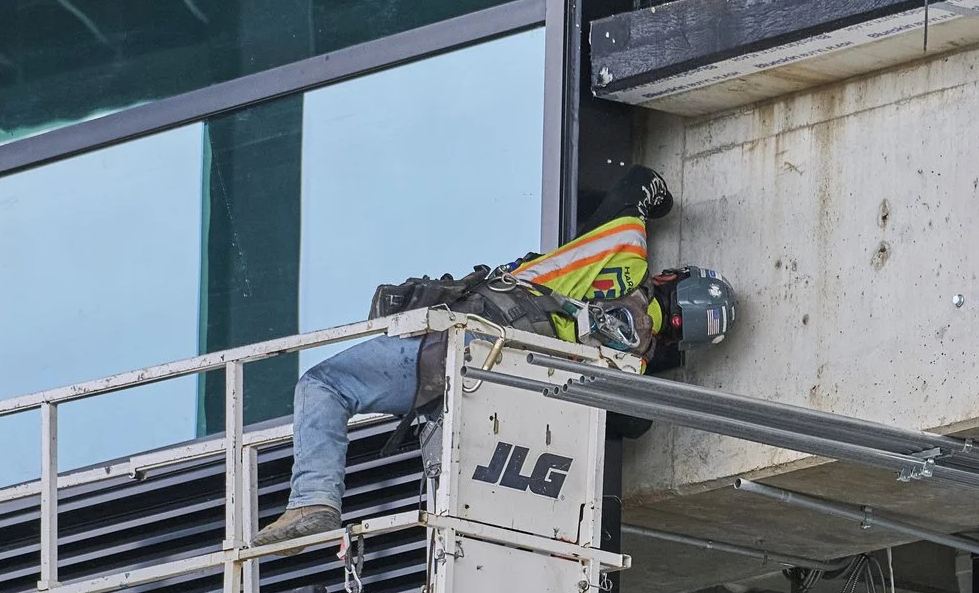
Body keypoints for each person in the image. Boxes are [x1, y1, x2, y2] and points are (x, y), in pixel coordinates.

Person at [256, 165, 674, 543]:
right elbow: (635, 423)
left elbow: (641, 183)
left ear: (671, 279)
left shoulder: (627, 251)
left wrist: (656, 207)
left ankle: (314, 499)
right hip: (502, 400)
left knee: (325, 384)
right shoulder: (631, 369)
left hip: (463, 341)